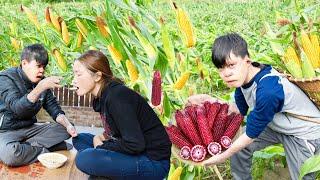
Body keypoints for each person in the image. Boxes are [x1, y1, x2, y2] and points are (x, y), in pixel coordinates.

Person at [188, 33, 320, 179]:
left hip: (303, 134)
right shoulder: (242, 80)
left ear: (247, 60)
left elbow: (251, 134)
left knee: (303, 176)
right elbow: (238, 110)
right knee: (237, 144)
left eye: (231, 65)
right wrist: (210, 101)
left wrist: (223, 156)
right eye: (221, 68)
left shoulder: (268, 90)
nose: (226, 74)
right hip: (277, 125)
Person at [71, 50, 172, 179]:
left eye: (78, 74)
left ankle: (106, 171)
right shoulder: (104, 96)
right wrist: (100, 138)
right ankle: (108, 170)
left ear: (97, 76)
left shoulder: (117, 97)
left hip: (152, 162)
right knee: (79, 138)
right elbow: (117, 128)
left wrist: (102, 146)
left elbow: (135, 144)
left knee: (84, 159)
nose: (74, 80)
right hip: (135, 152)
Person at [0, 44, 78, 167]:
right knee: (11, 155)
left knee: (65, 129)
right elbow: (18, 108)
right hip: (6, 131)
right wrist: (41, 87)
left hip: (30, 129)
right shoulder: (5, 78)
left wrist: (68, 125)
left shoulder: (41, 81)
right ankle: (45, 150)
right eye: (38, 66)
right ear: (24, 63)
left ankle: (26, 149)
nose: (42, 70)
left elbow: (54, 108)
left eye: (44, 67)